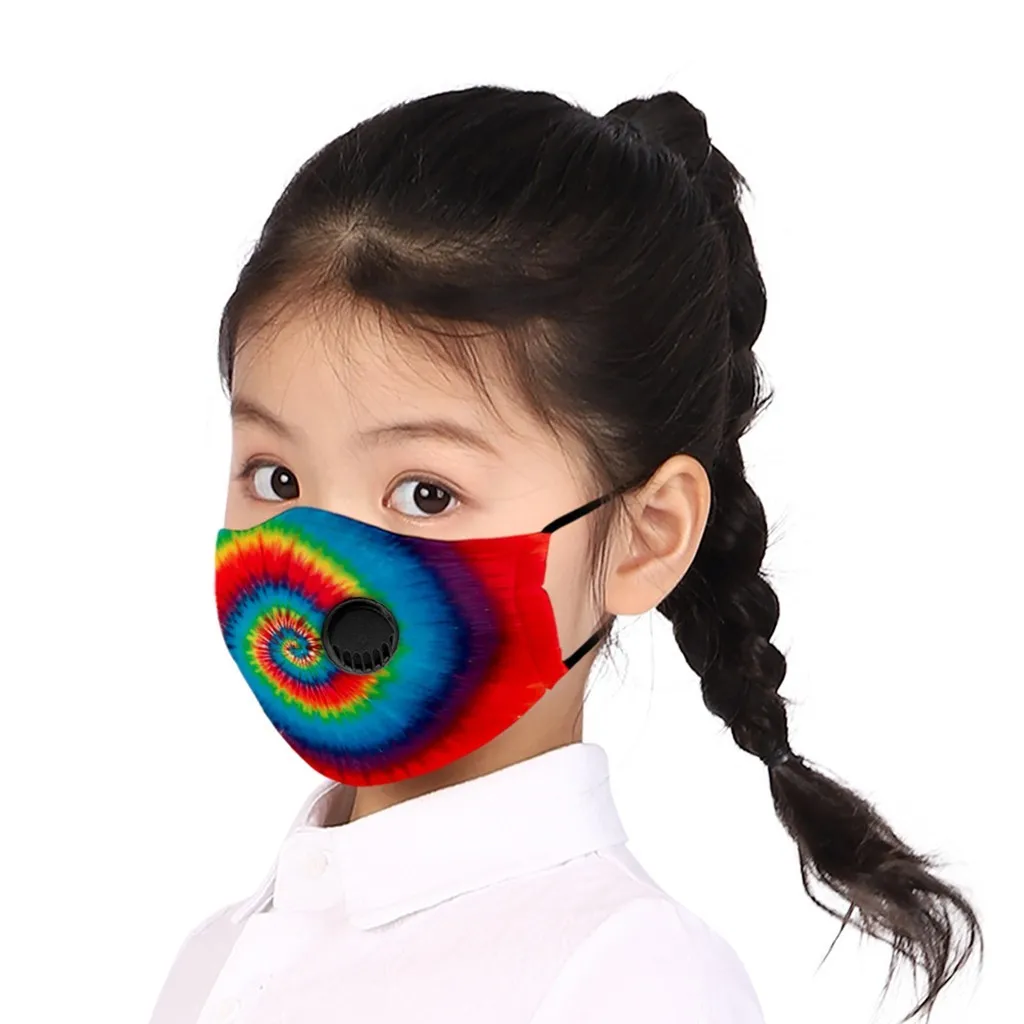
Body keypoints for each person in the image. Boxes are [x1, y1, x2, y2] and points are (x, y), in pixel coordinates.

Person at [147, 85, 982, 1024]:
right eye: (275, 478)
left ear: (646, 536)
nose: (315, 559)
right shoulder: (215, 953)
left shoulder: (632, 981)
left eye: (427, 494)